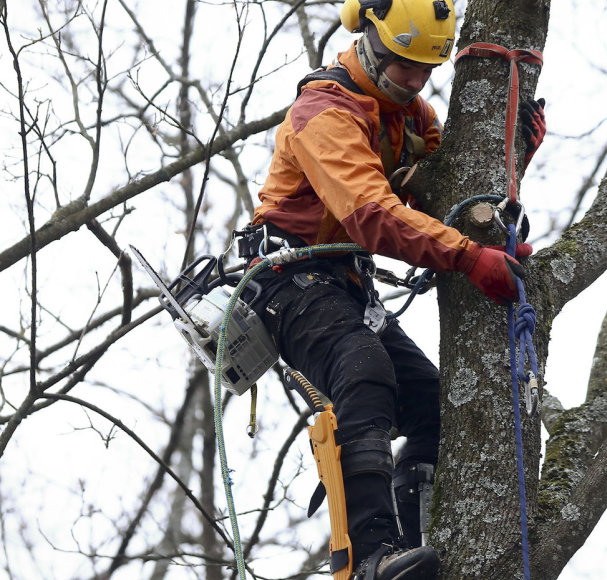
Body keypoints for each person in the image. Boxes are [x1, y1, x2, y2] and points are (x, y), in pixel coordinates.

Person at [240, 0, 545, 578]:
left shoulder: (407, 116)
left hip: (346, 285)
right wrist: (468, 258)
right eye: (404, 65)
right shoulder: (324, 113)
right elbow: (372, 214)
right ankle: (367, 555)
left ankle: (415, 539)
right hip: (288, 281)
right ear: (369, 42)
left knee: (429, 398)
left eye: (425, 70)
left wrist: (512, 162)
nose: (414, 81)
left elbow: (448, 183)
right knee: (363, 368)